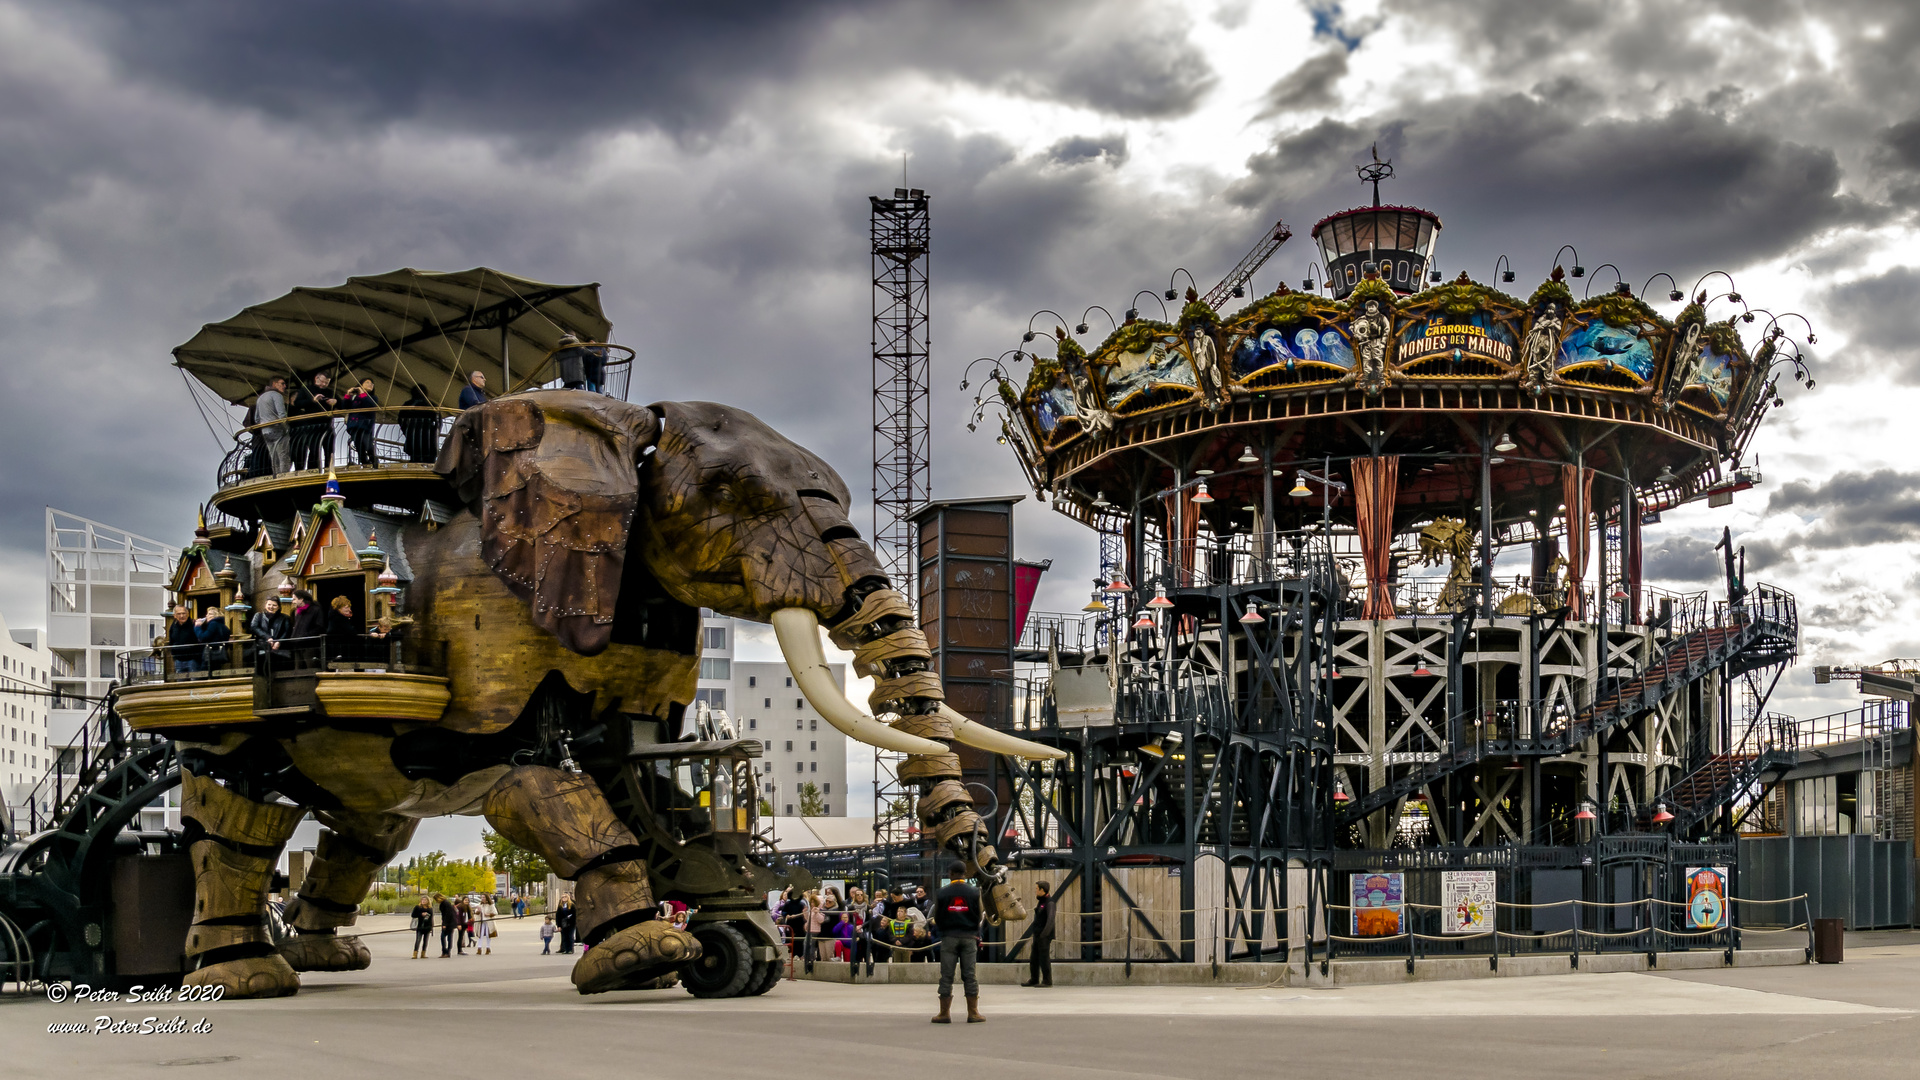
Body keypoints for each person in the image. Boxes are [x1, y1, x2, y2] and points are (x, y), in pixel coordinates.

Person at [931, 864, 984, 1024]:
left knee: (946, 975)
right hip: (969, 937)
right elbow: (979, 914)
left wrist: (945, 927)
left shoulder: (942, 892)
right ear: (965, 873)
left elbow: (937, 916)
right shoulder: (975, 892)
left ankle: (944, 1013)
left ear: (950, 873)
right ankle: (973, 1013)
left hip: (949, 937)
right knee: (970, 975)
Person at [291, 372, 339, 471]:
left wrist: (336, 402)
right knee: (314, 450)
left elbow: (342, 405)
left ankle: (328, 469)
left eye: (327, 383)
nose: (324, 385)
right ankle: (313, 470)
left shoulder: (330, 392)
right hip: (313, 426)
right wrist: (312, 400)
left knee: (329, 451)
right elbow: (297, 403)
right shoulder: (306, 389)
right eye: (322, 381)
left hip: (327, 425)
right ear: (316, 378)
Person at [256, 376, 293, 475]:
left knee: (273, 456)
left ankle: (276, 476)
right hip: (277, 429)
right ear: (274, 384)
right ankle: (283, 476)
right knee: (283, 455)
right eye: (282, 383)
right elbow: (282, 414)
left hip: (265, 431)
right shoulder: (277, 396)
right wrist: (286, 428)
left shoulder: (260, 398)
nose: (285, 386)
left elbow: (256, 418)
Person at [1023, 879, 1055, 988]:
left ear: (1042, 890)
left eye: (1037, 889)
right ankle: (1034, 979)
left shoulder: (1049, 903)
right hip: (1037, 935)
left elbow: (1050, 920)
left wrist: (1044, 935)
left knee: (1044, 958)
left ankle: (1047, 980)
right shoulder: (1041, 902)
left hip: (1044, 936)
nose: (1035, 891)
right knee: (1034, 958)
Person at [341, 377, 380, 467]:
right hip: (354, 425)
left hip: (366, 426)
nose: (370, 385)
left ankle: (374, 462)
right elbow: (345, 407)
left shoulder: (373, 397)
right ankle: (365, 462)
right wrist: (348, 395)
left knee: (368, 444)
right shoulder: (354, 398)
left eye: (372, 384)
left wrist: (362, 393)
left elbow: (370, 405)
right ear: (361, 385)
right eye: (367, 382)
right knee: (359, 445)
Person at [399, 386, 440, 463]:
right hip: (428, 438)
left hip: (413, 438)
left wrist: (407, 431)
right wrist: (435, 432)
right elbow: (438, 422)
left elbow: (401, 420)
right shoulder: (432, 405)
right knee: (429, 462)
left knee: (415, 460)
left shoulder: (408, 404)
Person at [289, 589, 325, 665]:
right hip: (298, 645)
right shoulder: (298, 612)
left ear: (301, 599)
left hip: (310, 645)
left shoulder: (316, 609)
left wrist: (305, 635)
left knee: (311, 667)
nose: (293, 602)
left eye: (294, 599)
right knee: (298, 670)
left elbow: (320, 627)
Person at [250, 596, 291, 664]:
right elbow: (254, 627)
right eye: (269, 604)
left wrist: (279, 642)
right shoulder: (258, 616)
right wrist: (267, 637)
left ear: (279, 607)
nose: (271, 607)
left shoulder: (285, 618)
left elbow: (287, 632)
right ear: (265, 605)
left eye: (274, 605)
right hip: (262, 647)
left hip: (280, 649)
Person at [166, 605, 204, 674]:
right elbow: (171, 641)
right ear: (175, 615)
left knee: (194, 681)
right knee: (180, 683)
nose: (182, 616)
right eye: (179, 614)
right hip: (178, 660)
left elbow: (201, 639)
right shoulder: (173, 626)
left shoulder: (194, 624)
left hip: (193, 660)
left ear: (188, 614)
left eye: (183, 613)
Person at [326, 595, 360, 663]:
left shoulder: (334, 617)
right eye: (346, 607)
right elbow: (352, 632)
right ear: (339, 608)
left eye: (349, 607)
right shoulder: (339, 619)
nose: (349, 609)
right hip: (341, 651)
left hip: (339, 650)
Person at [410, 895, 434, 959]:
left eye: (425, 900)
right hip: (420, 926)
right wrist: (421, 914)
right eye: (422, 900)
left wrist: (431, 927)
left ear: (428, 901)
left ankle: (423, 953)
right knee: (418, 940)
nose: (423, 901)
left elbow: (431, 917)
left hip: (427, 926)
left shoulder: (430, 908)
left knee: (425, 941)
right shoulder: (418, 907)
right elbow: (413, 915)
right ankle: (415, 953)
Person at [437, 893, 457, 957]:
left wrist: (445, 923)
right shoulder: (445, 903)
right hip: (448, 922)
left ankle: (447, 952)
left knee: (446, 937)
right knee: (446, 937)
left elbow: (447, 914)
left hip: (449, 923)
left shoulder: (445, 903)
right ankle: (445, 951)